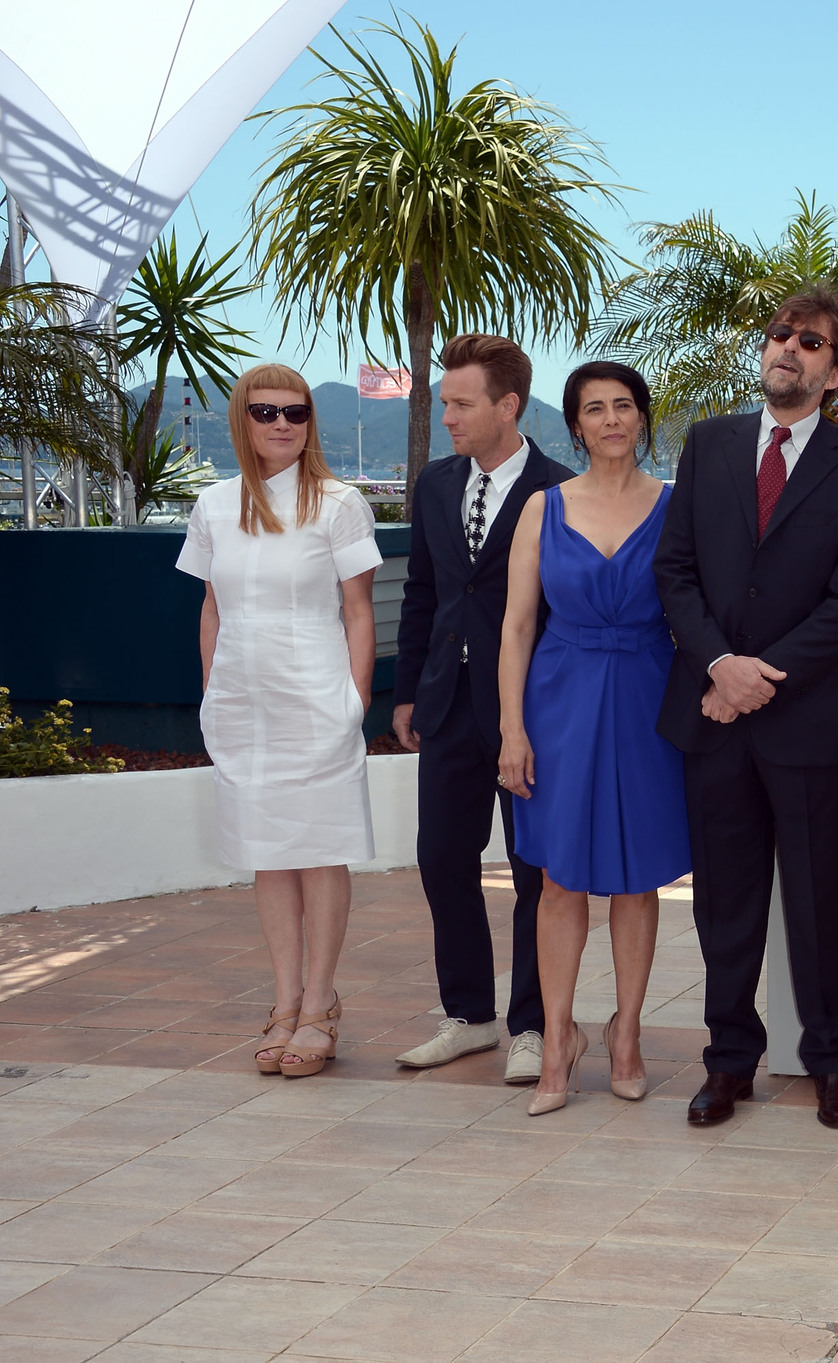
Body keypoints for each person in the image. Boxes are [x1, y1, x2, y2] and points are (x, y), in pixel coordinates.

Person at [653, 285, 838, 1130]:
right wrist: (719, 664)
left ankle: (831, 1062)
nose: (789, 347)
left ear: (835, 373)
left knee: (820, 900)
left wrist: (760, 674)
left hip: (809, 723)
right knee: (725, 901)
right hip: (712, 716)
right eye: (782, 333)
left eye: (813, 342)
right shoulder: (708, 443)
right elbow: (674, 570)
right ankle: (729, 1063)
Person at [176, 364, 381, 1078]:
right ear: (243, 418)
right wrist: (212, 696)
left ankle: (320, 1005)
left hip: (317, 702)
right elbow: (211, 610)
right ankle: (284, 1000)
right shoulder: (212, 505)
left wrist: (353, 703)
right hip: (242, 708)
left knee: (320, 849)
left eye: (295, 413)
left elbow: (360, 611)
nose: (282, 424)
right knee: (270, 853)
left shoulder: (339, 503)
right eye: (265, 413)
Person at [498, 360, 691, 1115]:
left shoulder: (678, 507)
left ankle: (628, 1031)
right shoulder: (543, 508)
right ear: (574, 425)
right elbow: (515, 626)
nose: (610, 419)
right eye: (593, 408)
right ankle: (555, 1039)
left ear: (642, 417)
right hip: (559, 702)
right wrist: (513, 728)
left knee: (639, 878)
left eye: (623, 406)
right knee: (559, 878)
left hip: (648, 700)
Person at [391, 334, 573, 1084]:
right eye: (444, 403)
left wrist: (539, 715)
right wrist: (406, 690)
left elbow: (564, 610)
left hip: (529, 711)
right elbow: (424, 593)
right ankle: (469, 1015)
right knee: (441, 857)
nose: (448, 418)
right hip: (446, 704)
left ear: (510, 406)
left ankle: (532, 1024)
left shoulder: (561, 490)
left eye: (461, 404)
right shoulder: (435, 483)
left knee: (533, 869)